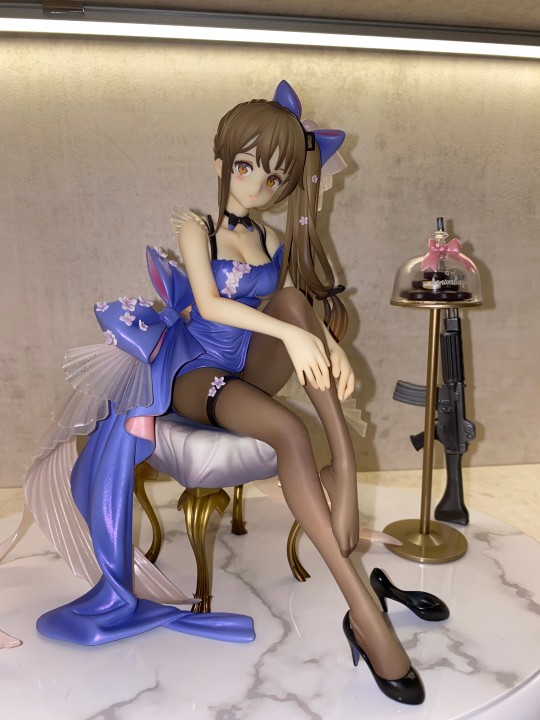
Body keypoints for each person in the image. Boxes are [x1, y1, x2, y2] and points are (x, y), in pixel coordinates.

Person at [2, 81, 424, 704]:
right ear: (222, 161)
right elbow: (210, 303)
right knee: (287, 428)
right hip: (196, 375)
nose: (259, 186)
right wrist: (293, 333)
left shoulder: (273, 243)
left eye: (276, 177)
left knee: (292, 298)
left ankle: (345, 464)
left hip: (248, 368)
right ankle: (363, 610)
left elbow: (293, 309)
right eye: (249, 166)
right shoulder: (195, 228)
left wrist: (327, 345)